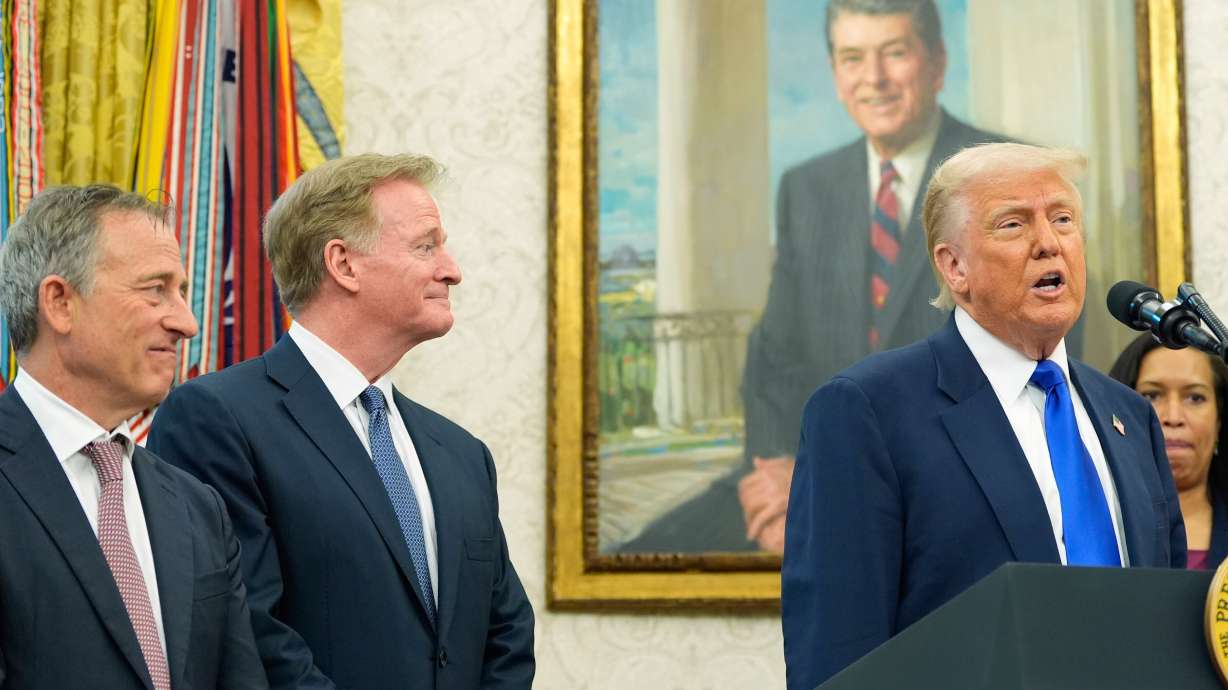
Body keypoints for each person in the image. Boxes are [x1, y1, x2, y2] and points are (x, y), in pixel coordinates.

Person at [781, 143, 1185, 689]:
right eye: (1013, 224)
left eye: (1063, 219)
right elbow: (837, 652)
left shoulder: (1129, 416)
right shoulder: (868, 410)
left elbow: (1167, 628)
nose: (1049, 243)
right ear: (954, 267)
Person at [625, 0, 1010, 554]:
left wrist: (844, 487)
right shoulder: (807, 188)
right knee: (652, 551)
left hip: (947, 488)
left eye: (894, 53)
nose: (873, 78)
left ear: (937, 63)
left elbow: (1022, 368)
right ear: (835, 73)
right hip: (808, 468)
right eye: (853, 58)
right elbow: (773, 358)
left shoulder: (1001, 176)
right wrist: (778, 472)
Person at [147, 153, 535, 690]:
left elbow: (507, 634)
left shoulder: (463, 454)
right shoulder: (215, 420)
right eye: (426, 246)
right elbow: (249, 635)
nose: (452, 270)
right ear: (343, 264)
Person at [0, 185, 266, 689]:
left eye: (181, 291)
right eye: (155, 290)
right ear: (60, 302)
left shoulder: (198, 507)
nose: (187, 323)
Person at [1110, 334, 1228, 569]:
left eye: (1195, 398)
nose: (1173, 417)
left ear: (1219, 421)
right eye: (1151, 396)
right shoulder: (1092, 524)